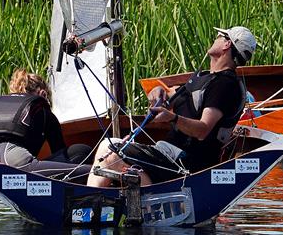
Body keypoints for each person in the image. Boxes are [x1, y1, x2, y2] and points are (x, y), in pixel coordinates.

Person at [87, 26, 256, 187]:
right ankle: (102, 201)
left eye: (221, 36)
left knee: (110, 155)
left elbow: (203, 130)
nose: (216, 38)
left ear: (227, 44)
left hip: (184, 161)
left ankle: (141, 203)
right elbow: (173, 95)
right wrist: (159, 91)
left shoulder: (224, 85)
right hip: (168, 152)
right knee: (110, 147)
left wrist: (172, 118)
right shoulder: (204, 77)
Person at [0, 68, 92, 179]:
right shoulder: (41, 108)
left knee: (80, 150)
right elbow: (59, 150)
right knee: (88, 162)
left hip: (1, 162)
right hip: (21, 166)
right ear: (42, 93)